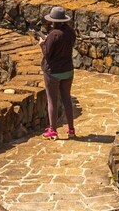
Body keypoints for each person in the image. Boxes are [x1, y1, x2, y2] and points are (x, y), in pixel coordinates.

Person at [41, 7, 78, 140]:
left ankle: (53, 130)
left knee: (52, 100)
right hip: (68, 70)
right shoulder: (70, 33)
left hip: (53, 72)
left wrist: (42, 44)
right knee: (66, 98)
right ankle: (71, 129)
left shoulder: (53, 34)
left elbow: (47, 53)